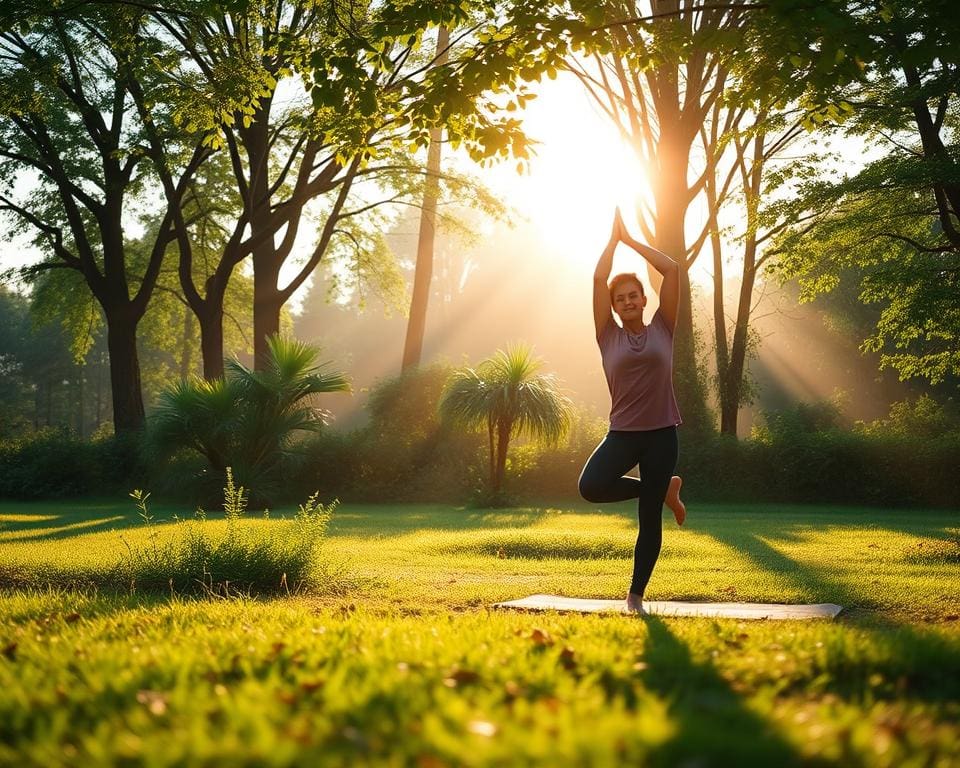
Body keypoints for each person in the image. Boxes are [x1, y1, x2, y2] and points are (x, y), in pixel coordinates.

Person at [578, 208, 686, 615]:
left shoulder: (664, 327)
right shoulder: (606, 335)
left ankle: (635, 597)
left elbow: (672, 270)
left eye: (633, 295)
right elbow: (596, 279)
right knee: (590, 487)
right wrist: (611, 243)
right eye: (619, 298)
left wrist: (632, 241)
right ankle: (662, 492)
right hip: (623, 433)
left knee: (648, 520)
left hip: (662, 434)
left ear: (644, 299)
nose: (626, 301)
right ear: (614, 306)